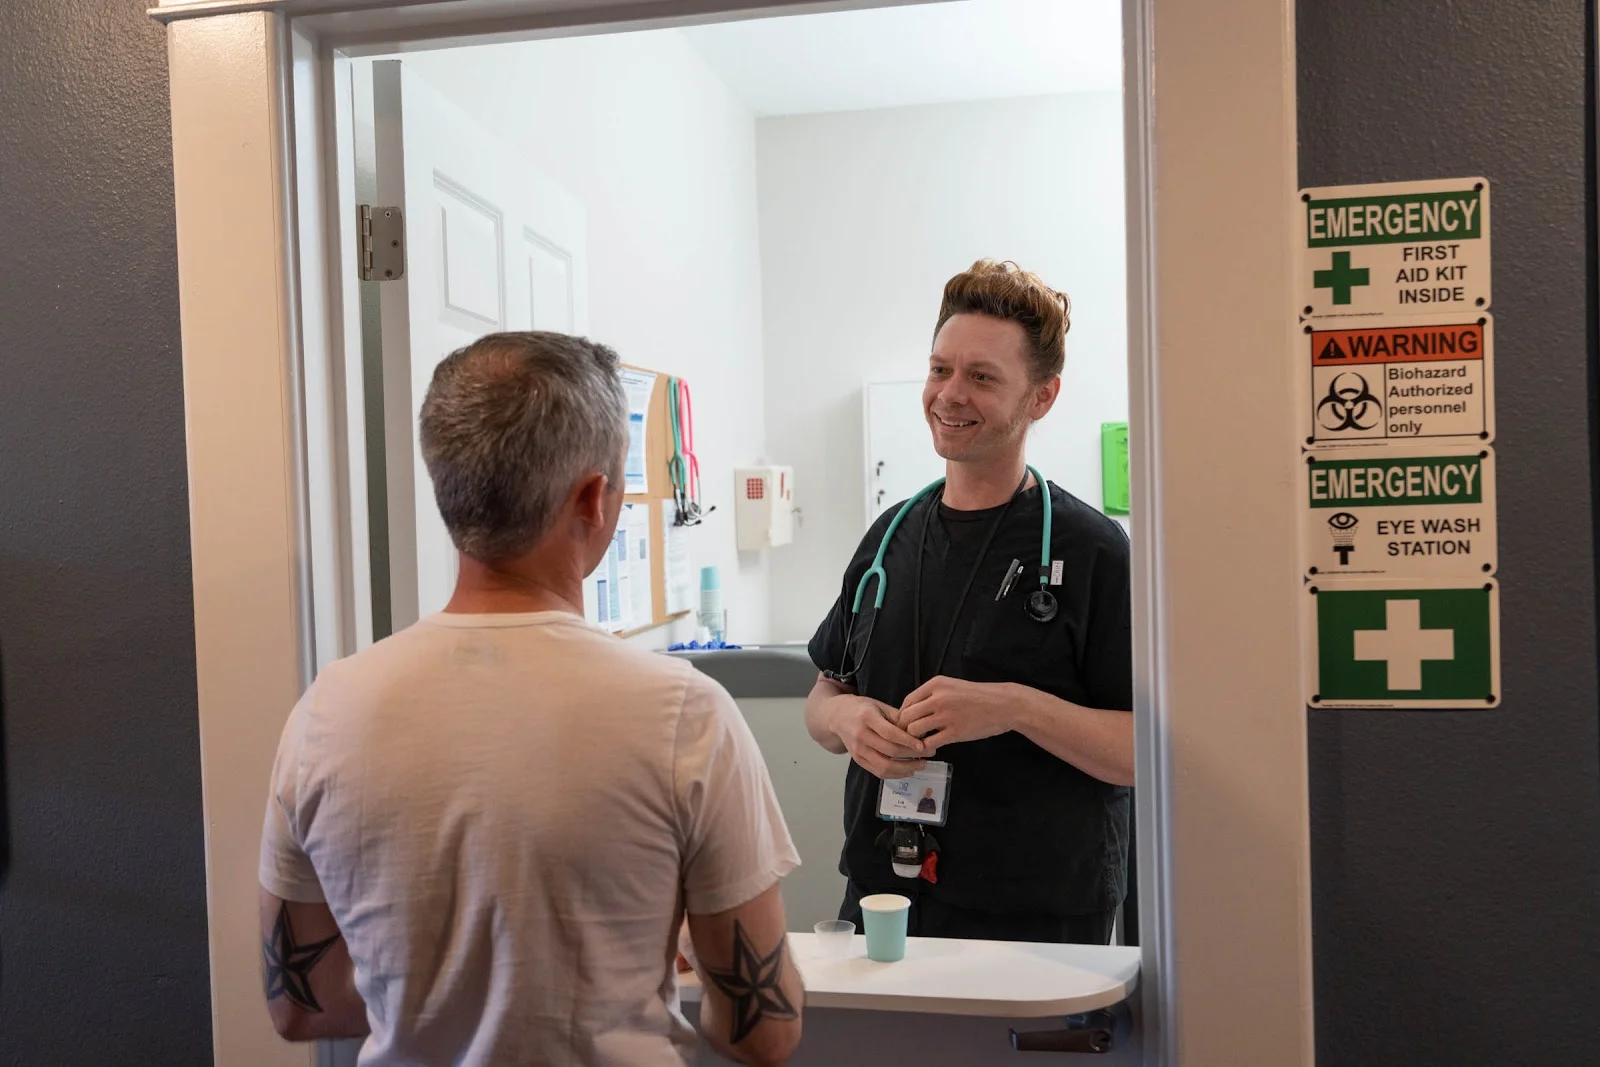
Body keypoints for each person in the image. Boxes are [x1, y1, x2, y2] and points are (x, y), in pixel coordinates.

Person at [257, 332, 804, 1067]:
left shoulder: (327, 711)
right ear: (592, 498)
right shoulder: (684, 714)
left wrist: (422, 988)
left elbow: (301, 1004)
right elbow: (763, 1032)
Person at [804, 260, 1133, 945]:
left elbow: (1144, 752)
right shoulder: (889, 536)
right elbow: (824, 697)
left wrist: (1015, 708)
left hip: (1036, 911)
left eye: (982, 376)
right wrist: (846, 718)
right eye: (940, 369)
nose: (950, 394)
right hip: (886, 892)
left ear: (1041, 397)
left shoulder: (1094, 551)